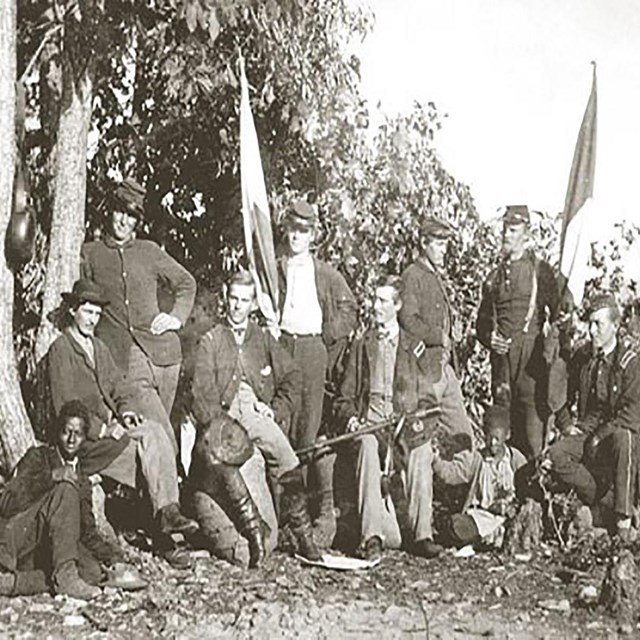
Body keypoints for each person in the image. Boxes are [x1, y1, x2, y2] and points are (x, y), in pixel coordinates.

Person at [47, 278, 198, 567]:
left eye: (96, 314)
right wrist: (103, 428)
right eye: (87, 312)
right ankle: (165, 540)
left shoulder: (98, 348)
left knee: (155, 432)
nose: (92, 319)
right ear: (72, 312)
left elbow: (120, 387)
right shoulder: (61, 351)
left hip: (113, 431)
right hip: (86, 443)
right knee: (144, 457)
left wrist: (126, 410)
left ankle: (168, 512)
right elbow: (66, 410)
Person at [191, 270, 321, 560]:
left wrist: (275, 408)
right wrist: (220, 424)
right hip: (223, 419)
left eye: (244, 300)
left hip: (251, 410)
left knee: (287, 458)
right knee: (231, 462)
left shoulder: (261, 338)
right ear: (226, 299)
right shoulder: (212, 339)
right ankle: (253, 533)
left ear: (253, 305)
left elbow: (293, 375)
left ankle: (303, 535)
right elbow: (202, 391)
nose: (238, 306)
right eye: (234, 299)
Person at [81, 177, 197, 451]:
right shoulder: (91, 254)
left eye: (131, 216)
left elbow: (186, 283)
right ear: (110, 211)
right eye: (120, 211)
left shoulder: (149, 251)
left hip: (167, 357)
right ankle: (180, 489)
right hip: (125, 359)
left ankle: (154, 491)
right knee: (161, 433)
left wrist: (175, 317)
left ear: (137, 221)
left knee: (154, 433)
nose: (123, 220)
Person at [334, 275, 445, 560]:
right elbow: (343, 399)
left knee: (421, 452)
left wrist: (411, 424)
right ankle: (372, 537)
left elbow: (429, 402)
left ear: (397, 305)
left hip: (402, 431)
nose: (376, 306)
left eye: (383, 301)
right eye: (374, 299)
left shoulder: (413, 346)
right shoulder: (362, 344)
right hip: (370, 427)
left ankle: (423, 536)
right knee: (368, 447)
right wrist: (352, 421)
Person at [277, 199, 358, 545]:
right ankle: (278, 512)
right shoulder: (275, 267)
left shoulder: (324, 273)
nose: (297, 236)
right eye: (293, 229)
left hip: (311, 350)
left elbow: (350, 310)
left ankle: (304, 518)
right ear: (286, 230)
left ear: (313, 236)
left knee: (307, 432)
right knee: (281, 425)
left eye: (304, 231)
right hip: (281, 347)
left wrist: (325, 336)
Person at [547, 292, 640, 536]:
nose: (591, 330)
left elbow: (632, 413)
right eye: (589, 323)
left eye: (598, 323)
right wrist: (567, 426)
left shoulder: (630, 363)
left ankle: (623, 521)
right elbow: (561, 398)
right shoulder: (583, 357)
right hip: (586, 433)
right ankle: (598, 500)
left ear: (615, 326)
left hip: (612, 435)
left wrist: (601, 435)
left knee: (626, 438)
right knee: (557, 454)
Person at [476, 205, 559, 458]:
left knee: (532, 424)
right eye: (505, 229)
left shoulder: (540, 272)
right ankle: (501, 485)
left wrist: (548, 348)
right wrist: (489, 338)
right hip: (502, 362)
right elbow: (481, 322)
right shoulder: (493, 278)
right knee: (500, 423)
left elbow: (558, 313)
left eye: (513, 230)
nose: (507, 235)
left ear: (527, 234)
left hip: (530, 361)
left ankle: (533, 490)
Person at [0, 402, 104, 599]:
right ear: (58, 432)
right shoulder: (38, 456)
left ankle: (12, 584)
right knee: (65, 489)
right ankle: (65, 579)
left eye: (78, 434)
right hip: (21, 539)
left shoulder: (81, 479)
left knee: (92, 572)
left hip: (47, 549)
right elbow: (6, 502)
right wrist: (53, 477)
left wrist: (116, 558)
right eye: (67, 431)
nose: (72, 439)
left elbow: (88, 531)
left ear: (84, 438)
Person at [395, 216, 472, 448]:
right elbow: (407, 320)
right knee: (420, 439)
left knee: (463, 437)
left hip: (443, 368)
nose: (443, 251)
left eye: (445, 244)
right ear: (423, 243)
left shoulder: (433, 275)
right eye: (438, 244)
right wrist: (439, 336)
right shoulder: (412, 275)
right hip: (425, 371)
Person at [433, 405, 527, 550]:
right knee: (458, 525)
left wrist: (512, 508)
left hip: (508, 519)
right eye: (489, 438)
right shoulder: (477, 459)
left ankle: (488, 540)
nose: (492, 443)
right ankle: (481, 539)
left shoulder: (516, 460)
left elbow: (527, 490)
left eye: (497, 438)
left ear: (507, 435)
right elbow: (452, 474)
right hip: (481, 517)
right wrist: (435, 460)